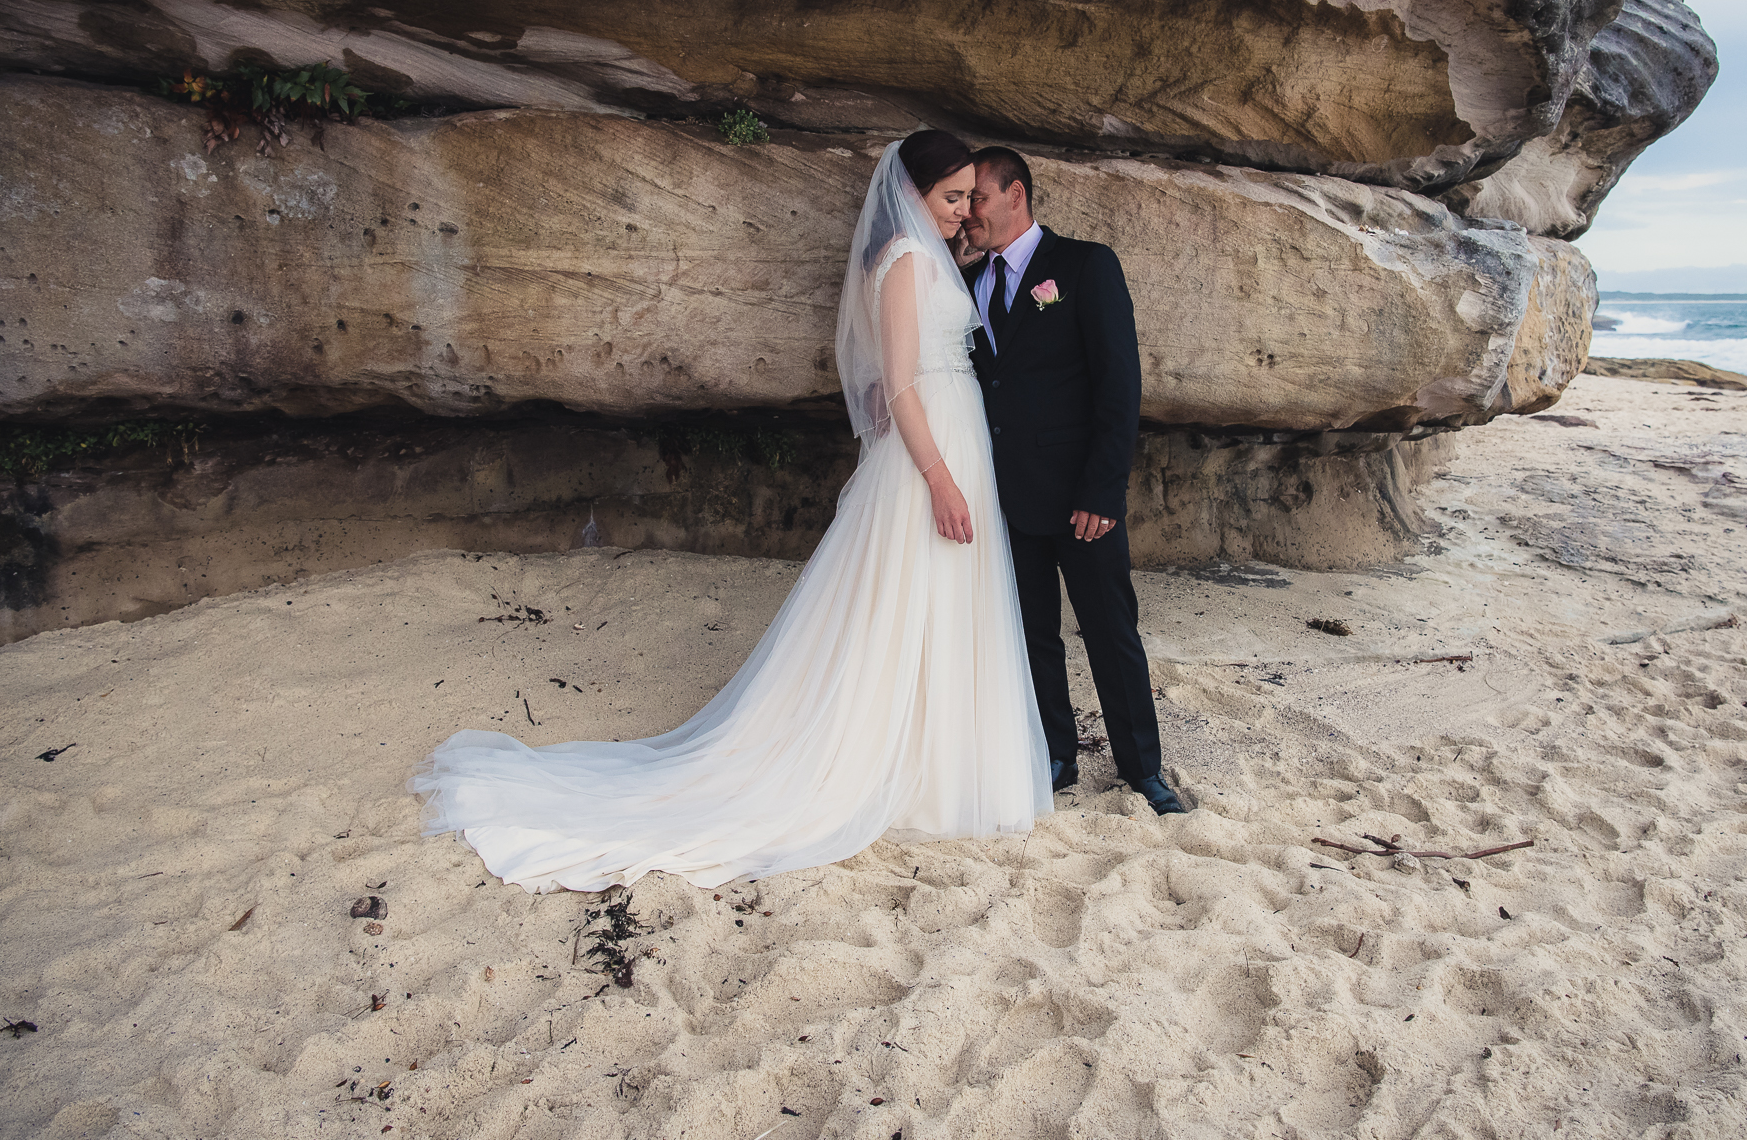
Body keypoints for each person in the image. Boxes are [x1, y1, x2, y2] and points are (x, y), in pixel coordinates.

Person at [410, 132, 1052, 892]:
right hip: (932, 454)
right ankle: (908, 768)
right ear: (911, 195)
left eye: (968, 199)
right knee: (912, 601)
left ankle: (939, 764)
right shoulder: (908, 262)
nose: (960, 213)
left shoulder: (924, 257)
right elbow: (904, 387)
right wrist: (941, 480)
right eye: (950, 198)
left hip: (951, 439)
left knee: (941, 604)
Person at [961, 147, 1186, 816]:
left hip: (1080, 496)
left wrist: (1103, 490)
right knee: (1033, 634)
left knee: (1111, 631)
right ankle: (1055, 753)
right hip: (1006, 494)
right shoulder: (969, 280)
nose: (968, 210)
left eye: (977, 197)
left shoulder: (1087, 266)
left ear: (1016, 195)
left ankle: (1142, 768)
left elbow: (1119, 387)